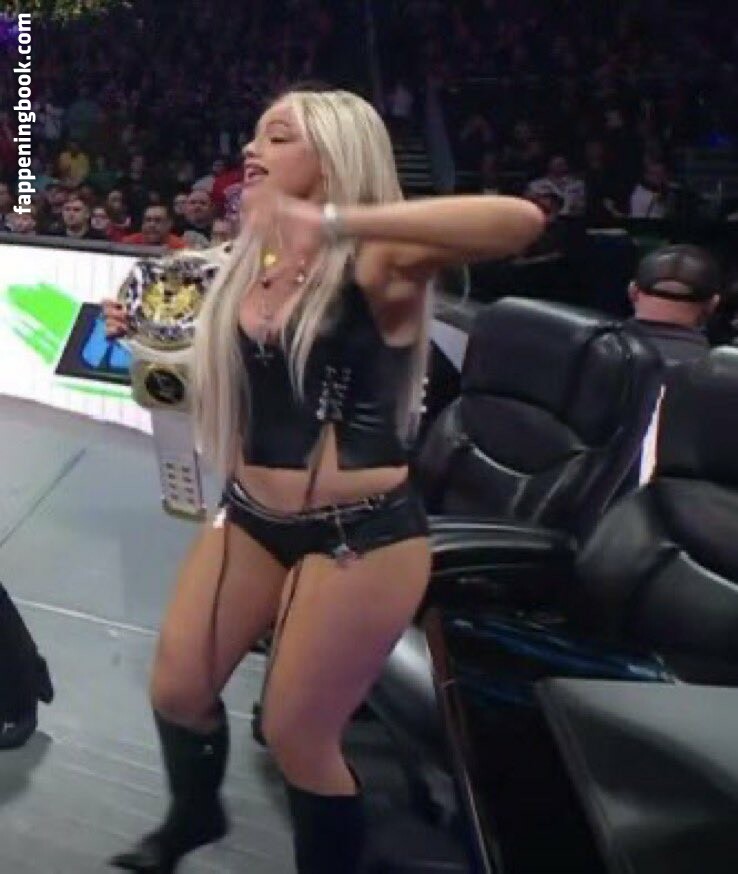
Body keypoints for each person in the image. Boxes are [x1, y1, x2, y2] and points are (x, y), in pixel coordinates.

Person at [102, 85, 543, 873]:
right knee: (177, 691)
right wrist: (147, 330)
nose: (252, 149)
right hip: (250, 517)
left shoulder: (378, 258)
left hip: (360, 534)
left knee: (299, 736)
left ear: (336, 156)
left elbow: (518, 221)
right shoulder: (254, 260)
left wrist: (337, 220)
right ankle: (193, 818)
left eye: (279, 137)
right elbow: (249, 373)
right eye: (255, 135)